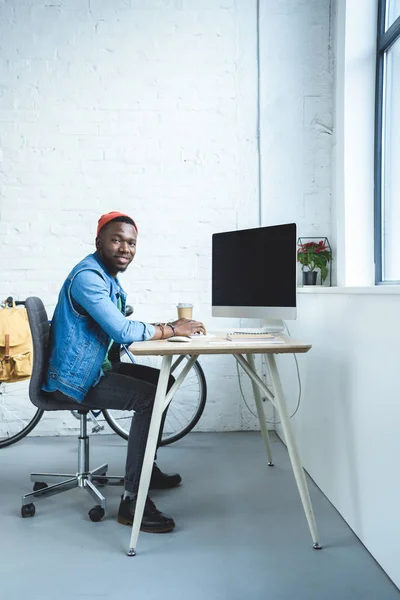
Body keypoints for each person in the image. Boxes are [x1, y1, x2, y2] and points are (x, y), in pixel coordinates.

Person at [42, 211, 206, 533]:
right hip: (75, 381)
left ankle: (147, 469)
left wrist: (160, 329)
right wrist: (170, 328)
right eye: (116, 240)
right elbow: (121, 329)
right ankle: (134, 502)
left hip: (93, 370)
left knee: (166, 383)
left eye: (131, 242)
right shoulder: (88, 277)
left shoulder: (107, 278)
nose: (124, 248)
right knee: (149, 399)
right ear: (99, 242)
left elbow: (120, 327)